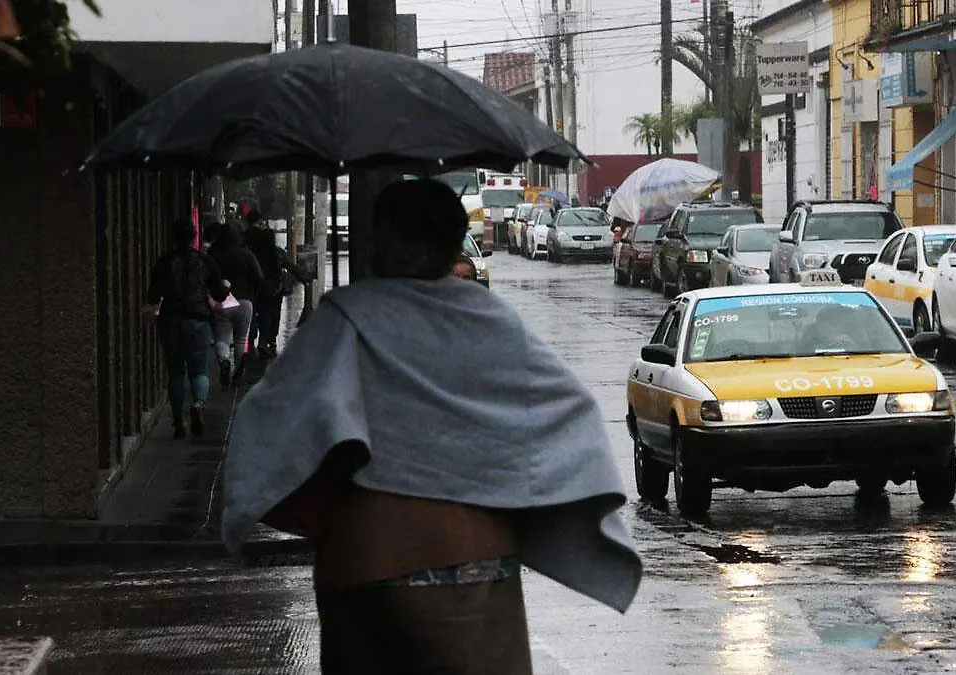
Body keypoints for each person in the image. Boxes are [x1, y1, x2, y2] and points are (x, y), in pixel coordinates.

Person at [222, 179, 641, 675]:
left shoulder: (345, 319)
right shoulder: (492, 322)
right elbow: (569, 413)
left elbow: (265, 424)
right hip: (473, 566)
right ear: (454, 241)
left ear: (381, 238)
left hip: (364, 560)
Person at [144, 217, 229, 439]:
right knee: (199, 370)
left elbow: (152, 295)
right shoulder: (206, 261)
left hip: (170, 321)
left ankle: (178, 420)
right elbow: (219, 294)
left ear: (173, 237)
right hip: (198, 322)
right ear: (194, 237)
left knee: (175, 372)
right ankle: (198, 405)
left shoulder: (164, 262)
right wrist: (225, 286)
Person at [208, 224, 264, 386]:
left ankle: (225, 360)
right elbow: (259, 278)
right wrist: (253, 294)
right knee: (241, 339)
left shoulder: (214, 255)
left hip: (222, 302)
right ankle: (239, 371)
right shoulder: (246, 255)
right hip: (245, 302)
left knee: (222, 339)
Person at [243, 210, 283, 357]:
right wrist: (278, 279)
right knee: (266, 311)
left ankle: (250, 340)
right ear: (260, 221)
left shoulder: (245, 237)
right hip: (267, 279)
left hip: (251, 280)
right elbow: (274, 258)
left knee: (252, 311)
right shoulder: (267, 236)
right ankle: (262, 342)